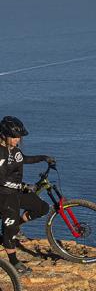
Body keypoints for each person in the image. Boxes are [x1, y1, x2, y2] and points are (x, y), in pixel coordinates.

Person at [0, 116, 55, 275]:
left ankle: (13, 226)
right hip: (4, 195)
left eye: (19, 137)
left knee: (41, 208)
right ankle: (14, 262)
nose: (18, 140)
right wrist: (24, 186)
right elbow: (2, 180)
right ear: (3, 135)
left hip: (16, 192)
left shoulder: (14, 149)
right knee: (9, 231)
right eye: (14, 137)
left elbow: (24, 159)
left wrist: (43, 158)